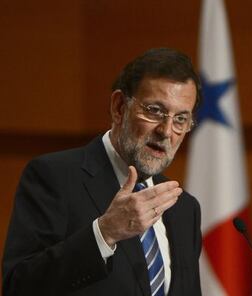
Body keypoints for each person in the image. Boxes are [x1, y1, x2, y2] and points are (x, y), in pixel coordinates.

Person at [2, 48, 202, 296]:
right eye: (154, 111)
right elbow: (19, 287)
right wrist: (105, 232)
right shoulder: (54, 177)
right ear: (119, 107)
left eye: (181, 119)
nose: (166, 131)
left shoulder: (184, 208)